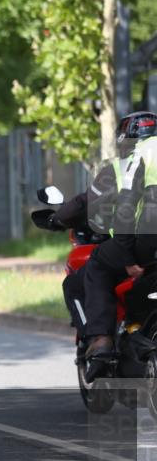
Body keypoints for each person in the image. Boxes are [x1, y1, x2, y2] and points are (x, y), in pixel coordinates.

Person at [81, 111, 157, 381]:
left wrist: (125, 255)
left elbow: (125, 209)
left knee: (98, 264)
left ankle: (101, 342)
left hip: (149, 242)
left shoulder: (142, 155)